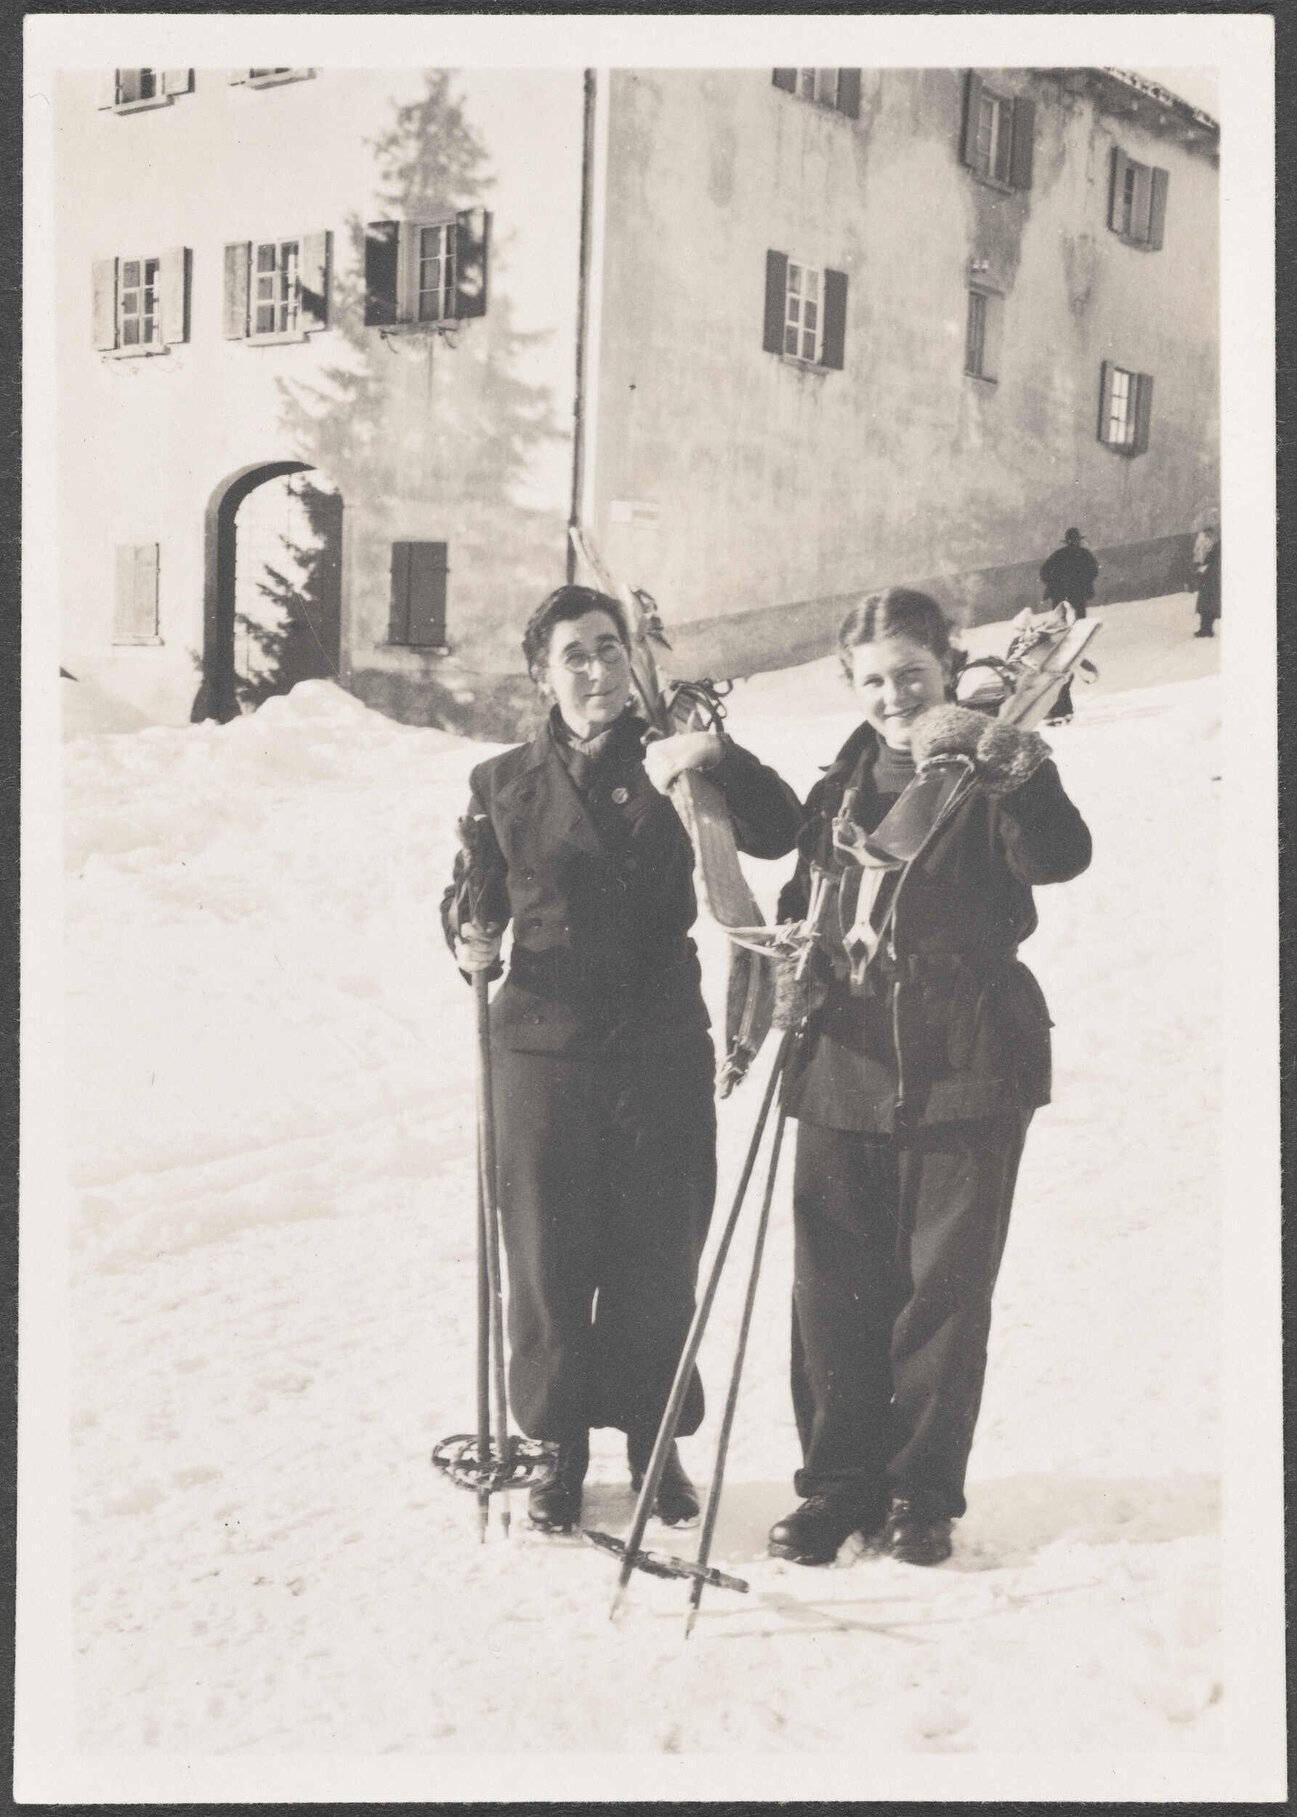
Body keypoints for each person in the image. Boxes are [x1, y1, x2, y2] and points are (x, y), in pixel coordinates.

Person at [442, 584, 801, 1533]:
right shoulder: (498, 782)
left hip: (655, 1040)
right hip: (541, 1044)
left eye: (609, 649)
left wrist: (715, 752)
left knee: (656, 1248)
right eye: (574, 655)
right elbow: (468, 900)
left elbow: (783, 831)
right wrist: (470, 937)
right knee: (548, 1254)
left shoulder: (678, 763)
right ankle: (556, 1446)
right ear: (540, 673)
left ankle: (654, 1440)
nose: (596, 670)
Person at [767, 587, 1092, 1569]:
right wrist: (792, 951)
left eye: (911, 672)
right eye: (872, 678)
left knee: (941, 1292)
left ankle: (918, 1494)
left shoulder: (985, 762)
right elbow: (801, 899)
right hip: (845, 1061)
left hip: (968, 1057)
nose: (893, 694)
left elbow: (1058, 854)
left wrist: (1019, 774)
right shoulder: (837, 787)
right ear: (849, 684)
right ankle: (834, 1485)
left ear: (946, 666)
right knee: (832, 1292)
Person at [1037, 529, 1099, 723]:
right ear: (1077, 541)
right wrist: (1081, 581)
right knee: (1077, 625)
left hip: (1062, 599)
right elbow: (1093, 571)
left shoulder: (1059, 555)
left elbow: (1044, 572)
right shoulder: (1084, 555)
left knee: (1065, 627)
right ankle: (1076, 642)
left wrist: (1058, 582)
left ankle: (1071, 639)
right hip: (1076, 597)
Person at [1192, 517, 1220, 637]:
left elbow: (1210, 560)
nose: (1208, 536)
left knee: (1207, 604)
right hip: (1210, 578)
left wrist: (1201, 566)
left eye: (1209, 533)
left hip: (1211, 577)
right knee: (1207, 604)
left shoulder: (1216, 546)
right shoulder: (1214, 546)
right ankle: (1205, 629)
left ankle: (1206, 629)